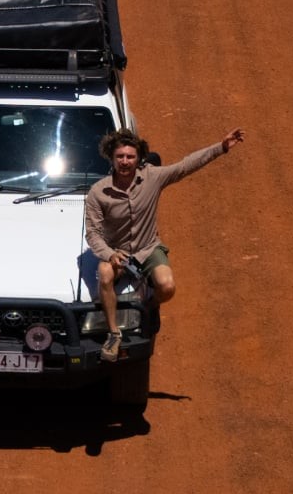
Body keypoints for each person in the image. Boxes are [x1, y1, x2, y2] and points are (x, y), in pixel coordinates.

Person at [85, 123, 243, 361]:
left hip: (148, 249)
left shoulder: (153, 177)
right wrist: (109, 254)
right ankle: (114, 333)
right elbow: (93, 233)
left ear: (139, 159)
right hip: (118, 252)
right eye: (120, 156)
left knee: (167, 287)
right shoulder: (98, 192)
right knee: (105, 273)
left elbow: (185, 166)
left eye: (130, 156)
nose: (125, 161)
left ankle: (147, 309)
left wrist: (220, 147)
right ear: (111, 158)